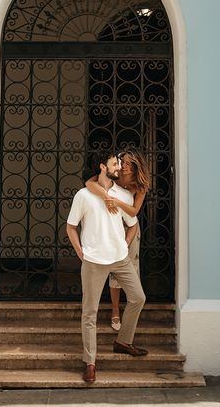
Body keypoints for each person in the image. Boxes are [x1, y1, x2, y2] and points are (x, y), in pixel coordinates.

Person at [66, 150, 148, 384]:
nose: (120, 167)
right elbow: (70, 227)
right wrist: (81, 253)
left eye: (121, 164)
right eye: (115, 163)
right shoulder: (84, 195)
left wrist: (124, 244)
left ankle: (123, 341)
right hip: (93, 260)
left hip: (119, 258)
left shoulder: (122, 194)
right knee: (89, 313)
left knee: (138, 297)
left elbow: (132, 224)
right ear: (103, 167)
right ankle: (90, 362)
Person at [85, 149, 150, 331]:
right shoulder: (115, 175)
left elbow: (134, 212)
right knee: (113, 272)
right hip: (111, 227)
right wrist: (106, 196)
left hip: (129, 228)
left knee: (128, 270)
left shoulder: (139, 186)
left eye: (127, 163)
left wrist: (117, 202)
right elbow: (89, 183)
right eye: (122, 161)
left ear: (135, 167)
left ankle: (131, 312)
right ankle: (115, 310)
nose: (123, 165)